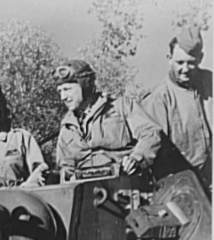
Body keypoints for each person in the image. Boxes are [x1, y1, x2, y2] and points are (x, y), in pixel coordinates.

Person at [52, 60, 161, 180]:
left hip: (126, 183)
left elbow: (151, 134)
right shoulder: (67, 128)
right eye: (60, 91)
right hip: (86, 191)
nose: (63, 97)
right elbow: (65, 168)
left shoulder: (121, 107)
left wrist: (136, 159)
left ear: (85, 85)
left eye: (67, 89)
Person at [141, 26, 212, 187]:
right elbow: (149, 147)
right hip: (183, 187)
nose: (185, 69)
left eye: (191, 63)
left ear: (200, 58)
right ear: (169, 58)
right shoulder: (158, 100)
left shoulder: (210, 82)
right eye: (180, 62)